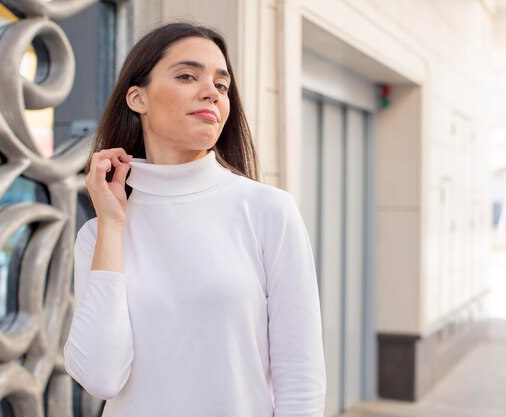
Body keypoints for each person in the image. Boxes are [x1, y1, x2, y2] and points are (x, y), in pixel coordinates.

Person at [63, 22, 326, 417]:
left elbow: (300, 374)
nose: (211, 92)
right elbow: (101, 377)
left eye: (222, 85)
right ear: (138, 98)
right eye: (187, 76)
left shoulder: (268, 211)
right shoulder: (99, 234)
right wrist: (112, 226)